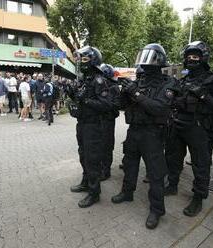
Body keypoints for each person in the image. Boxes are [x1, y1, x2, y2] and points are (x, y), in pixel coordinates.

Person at [111, 44, 176, 229]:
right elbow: (121, 105)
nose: (146, 63)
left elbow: (159, 108)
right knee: (129, 163)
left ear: (160, 60)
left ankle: (157, 209)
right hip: (134, 131)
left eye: (151, 58)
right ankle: (127, 192)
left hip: (153, 133)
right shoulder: (139, 81)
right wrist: (123, 93)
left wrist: (135, 93)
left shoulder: (168, 83)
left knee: (155, 173)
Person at [165, 41, 213, 217]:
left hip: (199, 128)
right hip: (178, 124)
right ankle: (172, 185)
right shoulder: (183, 79)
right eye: (189, 56)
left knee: (200, 164)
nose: (191, 59)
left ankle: (198, 197)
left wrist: (203, 95)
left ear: (203, 58)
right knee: (173, 158)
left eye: (195, 56)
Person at [68, 46, 119, 208]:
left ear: (93, 60)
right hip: (82, 123)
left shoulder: (99, 80)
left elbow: (107, 104)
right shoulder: (85, 79)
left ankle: (94, 192)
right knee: (82, 154)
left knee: (92, 159)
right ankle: (85, 182)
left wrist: (86, 101)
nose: (81, 62)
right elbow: (79, 99)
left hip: (93, 126)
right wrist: (72, 95)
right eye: (80, 59)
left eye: (84, 59)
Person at [98, 64, 120, 181]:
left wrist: (104, 105)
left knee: (106, 146)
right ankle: (100, 168)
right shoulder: (100, 86)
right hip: (99, 120)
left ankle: (106, 170)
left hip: (108, 120)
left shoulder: (113, 88)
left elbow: (116, 105)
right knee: (99, 145)